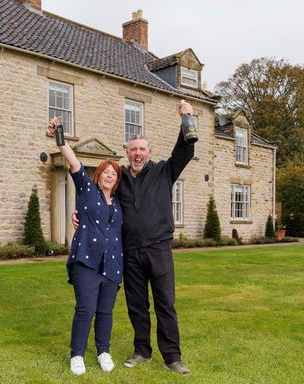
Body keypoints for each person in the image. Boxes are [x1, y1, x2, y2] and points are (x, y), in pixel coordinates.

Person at [74, 100, 195, 375]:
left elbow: (186, 149)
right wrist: (80, 215)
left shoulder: (165, 171)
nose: (137, 154)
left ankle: (172, 357)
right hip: (130, 252)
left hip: (159, 249)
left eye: (142, 149)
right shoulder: (119, 180)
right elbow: (98, 200)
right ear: (127, 154)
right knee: (137, 305)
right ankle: (142, 350)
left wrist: (186, 116)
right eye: (133, 150)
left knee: (165, 303)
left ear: (149, 152)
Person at [48, 116, 124, 376]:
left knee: (105, 311)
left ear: (116, 180)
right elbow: (73, 160)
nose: (110, 176)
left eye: (114, 174)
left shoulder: (118, 203)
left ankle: (103, 351)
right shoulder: (86, 190)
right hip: (87, 261)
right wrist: (59, 134)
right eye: (106, 172)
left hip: (113, 265)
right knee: (85, 309)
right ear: (98, 175)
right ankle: (77, 354)